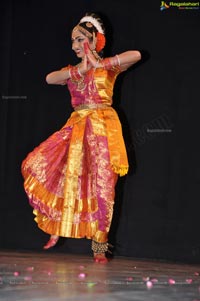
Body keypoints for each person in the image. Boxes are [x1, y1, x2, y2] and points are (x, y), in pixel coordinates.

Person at [21, 12, 141, 263]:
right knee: (51, 171)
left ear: (94, 39)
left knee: (104, 187)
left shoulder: (109, 67)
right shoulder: (72, 70)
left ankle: (100, 246)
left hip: (104, 130)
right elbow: (49, 78)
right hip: (77, 131)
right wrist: (79, 70)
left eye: (79, 40)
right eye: (72, 41)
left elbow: (137, 55)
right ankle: (57, 226)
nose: (74, 46)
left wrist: (100, 65)